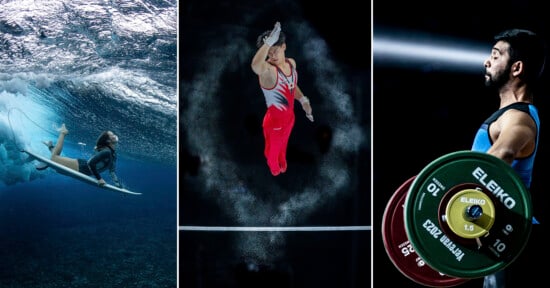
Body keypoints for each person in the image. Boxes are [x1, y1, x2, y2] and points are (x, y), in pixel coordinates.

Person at [472, 28, 546, 288]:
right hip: (499, 238)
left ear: (516, 68)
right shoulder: (508, 115)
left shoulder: (519, 118)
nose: (486, 62)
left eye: (495, 55)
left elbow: (502, 154)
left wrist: (463, 200)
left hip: (513, 239)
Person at [251, 21, 314, 176]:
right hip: (274, 123)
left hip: (289, 119)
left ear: (284, 46)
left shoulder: (291, 63)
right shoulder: (268, 71)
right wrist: (268, 44)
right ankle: (273, 166)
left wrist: (303, 100)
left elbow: (292, 86)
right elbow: (255, 67)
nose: (272, 55)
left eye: (275, 50)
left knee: (283, 150)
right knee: (273, 159)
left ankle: (279, 158)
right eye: (269, 52)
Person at [42, 123, 123, 188]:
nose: (114, 135)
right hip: (81, 166)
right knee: (54, 158)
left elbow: (112, 170)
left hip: (84, 168)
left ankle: (50, 146)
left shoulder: (114, 154)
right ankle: (63, 133)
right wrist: (99, 179)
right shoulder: (107, 152)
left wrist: (117, 184)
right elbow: (91, 163)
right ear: (108, 140)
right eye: (112, 135)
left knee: (58, 169)